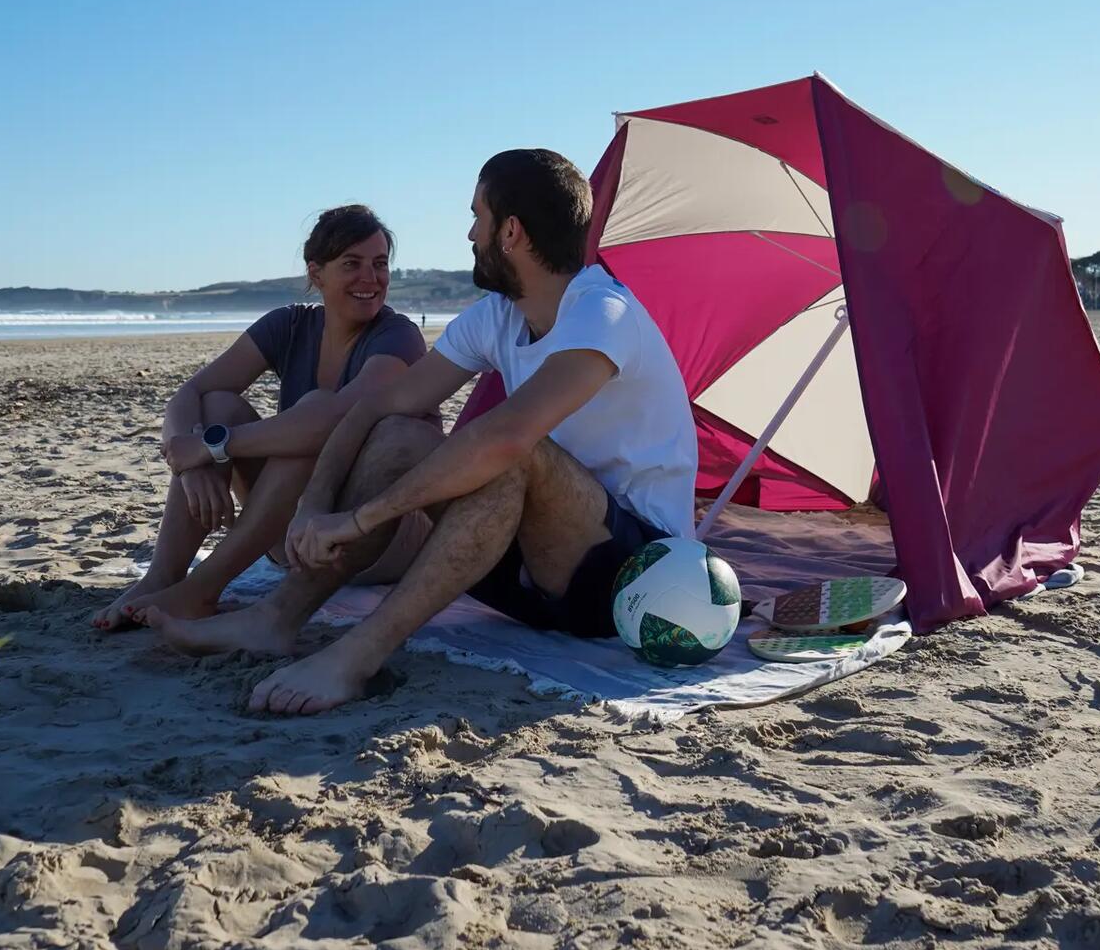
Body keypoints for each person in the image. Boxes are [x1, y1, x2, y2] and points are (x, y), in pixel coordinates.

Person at [143, 149, 698, 715]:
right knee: (402, 433)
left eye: (477, 216)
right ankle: (276, 619)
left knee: (517, 456)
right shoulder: (500, 316)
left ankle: (355, 657)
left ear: (510, 231)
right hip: (525, 574)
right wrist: (313, 504)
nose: (469, 233)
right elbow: (377, 407)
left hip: (629, 579)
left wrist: (363, 516)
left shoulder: (602, 313)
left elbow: (509, 438)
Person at [93, 205, 431, 630]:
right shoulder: (289, 325)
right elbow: (189, 394)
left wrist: (212, 446)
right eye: (352, 264)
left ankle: (202, 590)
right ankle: (164, 575)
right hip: (296, 533)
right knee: (217, 404)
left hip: (380, 537)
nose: (371, 277)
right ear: (316, 273)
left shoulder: (397, 335)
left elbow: (338, 421)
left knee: (310, 413)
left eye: (380, 264)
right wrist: (189, 464)